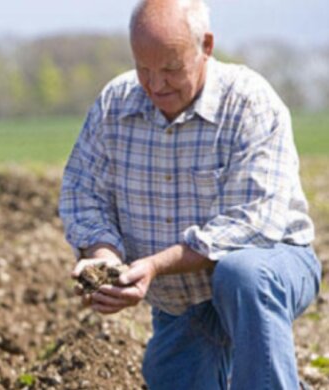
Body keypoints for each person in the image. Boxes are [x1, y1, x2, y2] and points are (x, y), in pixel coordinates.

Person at [59, 0, 321, 388]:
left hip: (269, 267)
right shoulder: (115, 104)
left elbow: (253, 224)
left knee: (241, 274)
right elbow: (83, 193)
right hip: (181, 301)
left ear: (206, 46)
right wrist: (104, 258)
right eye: (143, 69)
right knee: (174, 375)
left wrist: (154, 265)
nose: (156, 84)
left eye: (170, 68)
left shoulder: (249, 102)